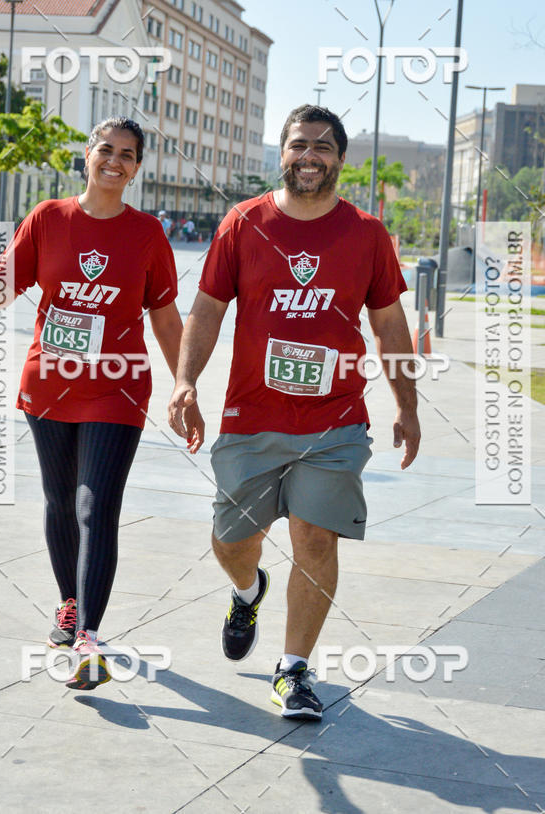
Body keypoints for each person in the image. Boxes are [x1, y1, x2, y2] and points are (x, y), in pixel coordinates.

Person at [168, 104, 420, 720]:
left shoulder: (366, 234)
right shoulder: (243, 223)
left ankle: (293, 671)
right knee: (234, 540)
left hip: (335, 421)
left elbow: (389, 324)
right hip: (250, 418)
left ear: (340, 158)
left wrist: (406, 406)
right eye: (299, 144)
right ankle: (248, 591)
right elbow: (206, 311)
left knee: (314, 537)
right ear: (282, 152)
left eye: (324, 147)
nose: (310, 156)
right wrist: (184, 383)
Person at [0, 116, 203, 691]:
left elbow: (164, 316)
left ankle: (88, 635)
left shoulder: (148, 234)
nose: (115, 160)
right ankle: (69, 603)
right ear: (87, 156)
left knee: (95, 506)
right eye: (106, 149)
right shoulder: (47, 218)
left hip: (118, 386)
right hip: (48, 386)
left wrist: (185, 384)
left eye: (128, 154)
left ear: (137, 168)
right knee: (60, 502)